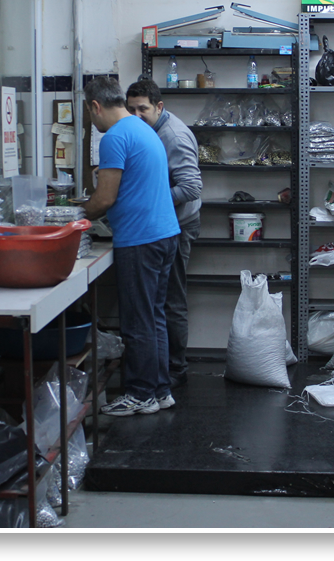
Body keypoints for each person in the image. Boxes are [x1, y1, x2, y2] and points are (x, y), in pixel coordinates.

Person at [82, 76, 181, 416]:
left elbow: (104, 199)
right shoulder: (143, 129)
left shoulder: (114, 137)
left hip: (141, 239)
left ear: (96, 106)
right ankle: (160, 390)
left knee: (138, 321)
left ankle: (140, 394)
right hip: (164, 234)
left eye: (89, 112)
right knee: (153, 317)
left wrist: (74, 217)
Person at [125, 78, 202, 390]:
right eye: (131, 110)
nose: (136, 116)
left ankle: (175, 369)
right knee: (160, 300)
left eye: (143, 109)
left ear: (159, 107)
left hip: (178, 226)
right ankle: (161, 367)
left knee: (171, 299)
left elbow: (191, 187)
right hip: (159, 224)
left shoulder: (173, 136)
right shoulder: (147, 131)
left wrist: (148, 198)